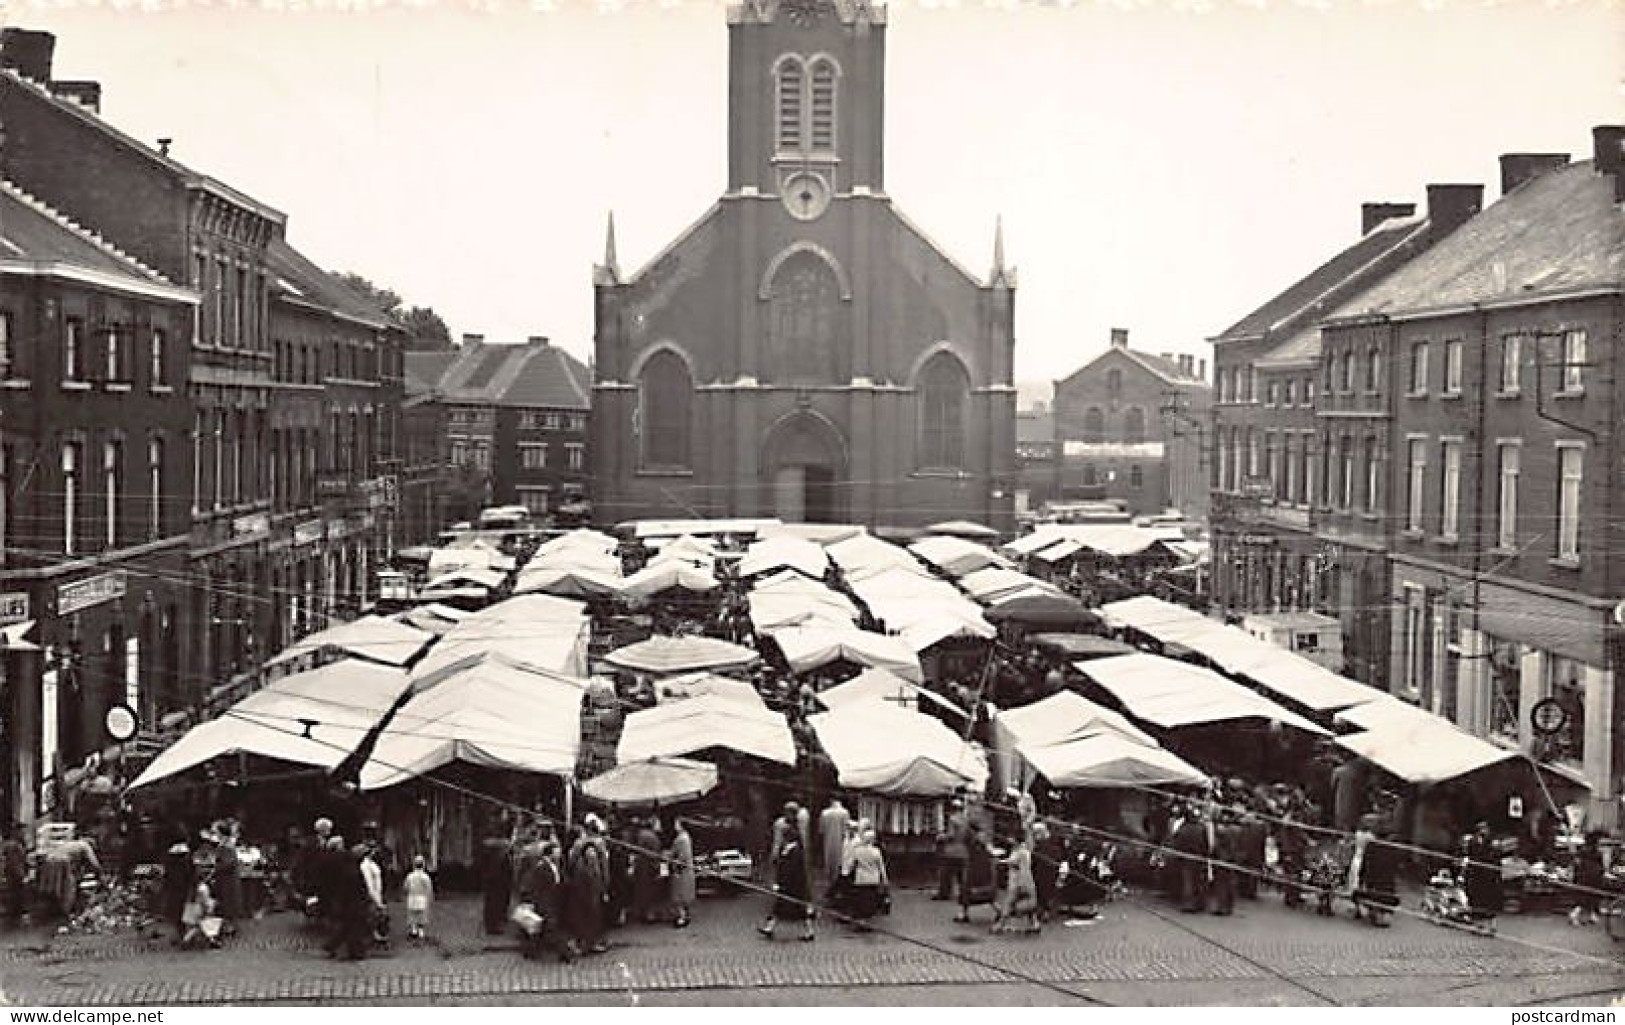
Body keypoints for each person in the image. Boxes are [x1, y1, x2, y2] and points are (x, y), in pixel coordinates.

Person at [758, 819, 814, 941]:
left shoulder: (794, 851)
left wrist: (779, 883)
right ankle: (769, 928)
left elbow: (790, 871)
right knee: (780, 909)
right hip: (791, 886)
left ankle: (809, 931)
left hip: (792, 887)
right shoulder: (791, 849)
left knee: (797, 911)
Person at [567, 817, 609, 956]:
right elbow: (604, 866)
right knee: (594, 913)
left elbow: (570, 862)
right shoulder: (600, 844)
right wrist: (605, 885)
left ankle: (582, 942)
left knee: (581, 913)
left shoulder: (578, 844)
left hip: (579, 882)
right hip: (595, 883)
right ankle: (593, 942)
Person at [517, 841, 565, 961]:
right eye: (557, 851)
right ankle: (564, 953)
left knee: (539, 930)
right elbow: (537, 887)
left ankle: (530, 951)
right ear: (550, 853)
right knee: (551, 929)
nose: (559, 853)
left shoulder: (553, 865)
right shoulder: (541, 867)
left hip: (550, 901)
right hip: (545, 902)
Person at [996, 834, 1041, 934]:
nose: (1009, 839)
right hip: (1028, 880)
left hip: (1018, 881)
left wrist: (1000, 861)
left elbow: (1014, 863)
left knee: (1008, 902)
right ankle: (1035, 924)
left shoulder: (1020, 852)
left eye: (1011, 838)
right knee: (1029, 905)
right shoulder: (1024, 850)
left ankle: (1000, 924)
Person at [1463, 822, 1503, 931]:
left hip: (1489, 876)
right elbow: (1472, 855)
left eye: (1486, 829)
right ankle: (1477, 924)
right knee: (1477, 899)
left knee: (1489, 901)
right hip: (1476, 875)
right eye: (1482, 829)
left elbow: (1496, 858)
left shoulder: (1492, 842)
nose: (1485, 831)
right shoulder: (1473, 841)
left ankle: (1491, 924)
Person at [846, 828, 888, 930]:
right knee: (870, 901)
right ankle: (868, 923)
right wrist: (885, 879)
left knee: (861, 900)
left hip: (861, 879)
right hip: (873, 879)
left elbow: (851, 865)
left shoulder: (857, 851)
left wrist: (848, 872)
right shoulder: (876, 851)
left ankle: (861, 923)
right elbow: (881, 866)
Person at [957, 821, 998, 924]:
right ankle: (998, 910)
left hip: (976, 867)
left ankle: (963, 914)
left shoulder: (973, 840)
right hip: (982, 867)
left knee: (968, 889)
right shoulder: (981, 840)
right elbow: (991, 852)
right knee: (980, 891)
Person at [632, 817, 665, 925]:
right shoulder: (652, 836)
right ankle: (647, 914)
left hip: (643, 867)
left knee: (643, 890)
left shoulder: (643, 835)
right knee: (648, 891)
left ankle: (644, 913)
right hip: (648, 867)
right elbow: (655, 853)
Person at [480, 829, 514, 936]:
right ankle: (492, 927)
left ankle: (492, 925)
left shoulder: (494, 856)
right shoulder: (498, 857)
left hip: (494, 882)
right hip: (497, 883)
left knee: (492, 904)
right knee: (494, 904)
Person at [935, 799, 969, 901]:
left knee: (946, 873)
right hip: (963, 850)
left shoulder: (952, 819)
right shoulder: (966, 819)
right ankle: (964, 894)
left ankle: (944, 894)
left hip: (952, 851)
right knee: (961, 875)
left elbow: (951, 835)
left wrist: (941, 837)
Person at [1570, 831, 1607, 927]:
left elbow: (1576, 864)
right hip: (1594, 877)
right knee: (1592, 896)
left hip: (1583, 876)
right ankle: (1576, 915)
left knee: (1583, 897)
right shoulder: (1598, 853)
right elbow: (1601, 866)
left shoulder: (1582, 851)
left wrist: (1575, 875)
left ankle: (1592, 916)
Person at [1030, 822, 1064, 921]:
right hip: (1047, 873)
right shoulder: (1051, 845)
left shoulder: (1041, 846)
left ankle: (1045, 910)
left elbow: (1035, 860)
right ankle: (1045, 909)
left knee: (1043, 890)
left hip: (1046, 873)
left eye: (1035, 834)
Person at [667, 818, 696, 929]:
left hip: (681, 871)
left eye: (676, 824)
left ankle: (681, 917)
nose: (675, 826)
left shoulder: (681, 839)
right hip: (686, 870)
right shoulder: (686, 837)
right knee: (685, 895)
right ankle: (685, 915)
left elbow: (680, 856)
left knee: (679, 895)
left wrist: (673, 862)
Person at [818, 798, 851, 889]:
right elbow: (846, 830)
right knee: (839, 861)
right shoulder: (845, 813)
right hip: (840, 840)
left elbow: (821, 830)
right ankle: (835, 883)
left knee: (828, 860)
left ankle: (829, 882)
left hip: (827, 840)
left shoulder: (824, 813)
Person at [360, 844, 387, 946]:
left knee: (375, 915)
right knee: (374, 915)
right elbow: (369, 882)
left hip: (377, 891)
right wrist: (375, 898)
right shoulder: (365, 866)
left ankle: (375, 934)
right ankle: (373, 934)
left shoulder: (372, 864)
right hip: (372, 893)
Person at [403, 855, 434, 942]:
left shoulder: (410, 876)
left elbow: (405, 887)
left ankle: (414, 931)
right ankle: (421, 932)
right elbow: (429, 888)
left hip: (412, 897)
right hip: (422, 898)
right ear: (423, 865)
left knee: (412, 915)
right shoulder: (425, 877)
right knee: (422, 915)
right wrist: (430, 897)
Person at [2, 825, 27, 923]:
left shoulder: (8, 844)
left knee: (13, 889)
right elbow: (21, 857)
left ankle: (13, 909)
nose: (23, 833)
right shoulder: (15, 845)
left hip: (11, 870)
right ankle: (17, 910)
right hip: (16, 870)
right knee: (18, 890)